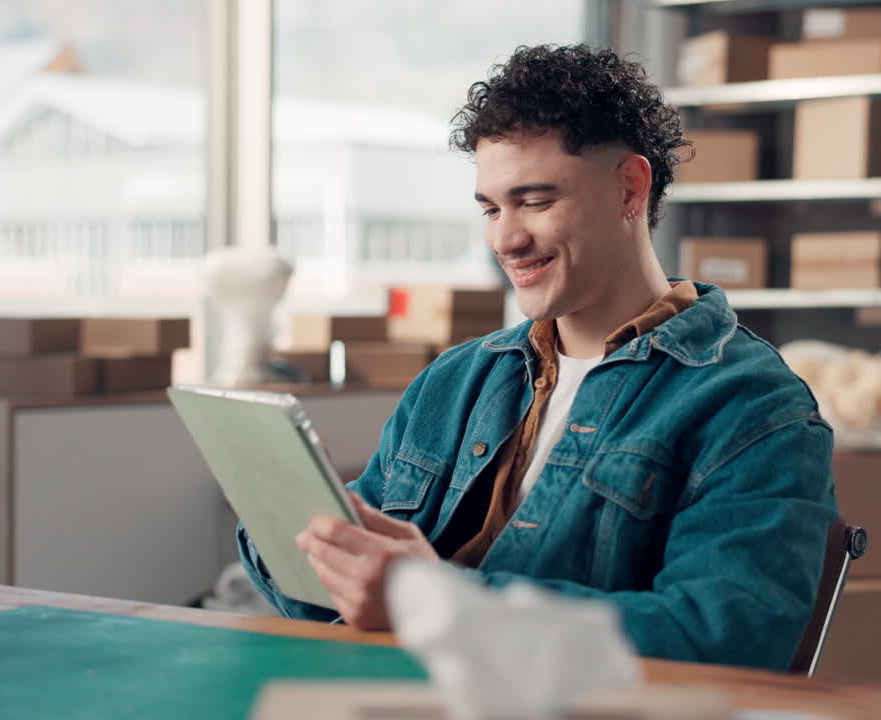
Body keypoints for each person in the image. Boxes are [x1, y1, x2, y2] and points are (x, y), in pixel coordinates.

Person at [239, 44, 837, 670]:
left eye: (536, 201)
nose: (505, 238)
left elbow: (727, 643)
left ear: (630, 188)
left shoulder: (754, 408)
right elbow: (338, 603)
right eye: (491, 208)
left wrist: (436, 602)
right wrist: (307, 534)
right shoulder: (455, 380)